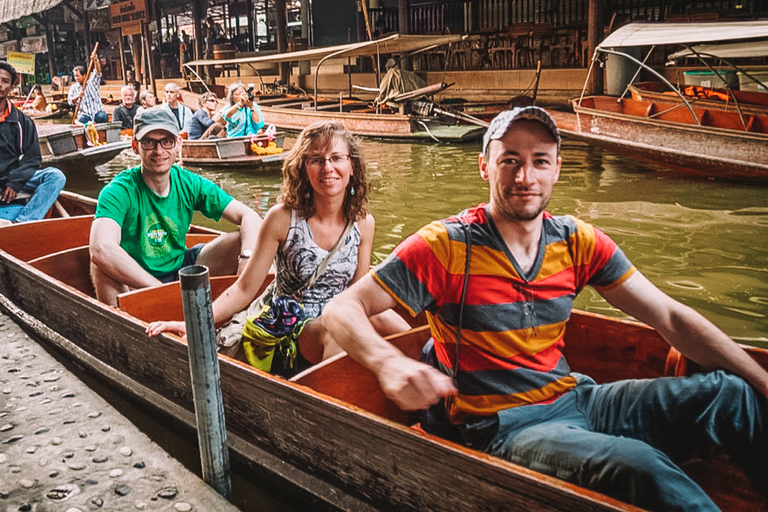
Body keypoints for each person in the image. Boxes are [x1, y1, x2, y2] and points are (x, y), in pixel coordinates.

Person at [322, 106, 768, 512]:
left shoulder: (577, 241)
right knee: (641, 466)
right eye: (510, 160)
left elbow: (669, 318)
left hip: (579, 398)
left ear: (557, 168)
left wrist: (764, 382)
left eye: (539, 160)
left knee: (733, 395)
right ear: (484, 167)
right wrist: (387, 365)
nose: (524, 177)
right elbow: (343, 307)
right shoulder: (446, 245)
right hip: (504, 427)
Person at [146, 120, 410, 373]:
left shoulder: (363, 223)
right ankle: (327, 407)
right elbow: (244, 288)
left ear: (351, 166)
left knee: (393, 323)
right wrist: (193, 325)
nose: (327, 167)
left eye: (336, 158)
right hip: (292, 324)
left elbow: (358, 292)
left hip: (341, 314)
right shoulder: (282, 218)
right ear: (304, 169)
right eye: (316, 160)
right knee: (337, 330)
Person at [89, 107, 263, 306]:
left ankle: (241, 308)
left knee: (244, 240)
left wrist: (246, 260)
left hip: (182, 270)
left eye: (167, 141)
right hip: (133, 281)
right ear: (135, 146)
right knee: (100, 265)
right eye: (149, 142)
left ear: (178, 144)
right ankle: (123, 325)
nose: (159, 151)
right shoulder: (119, 190)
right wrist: (161, 291)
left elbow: (250, 216)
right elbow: (100, 248)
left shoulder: (190, 183)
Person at [0, 62, 66, 227]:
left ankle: (23, 222)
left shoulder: (23, 121)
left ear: (11, 87)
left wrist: (15, 182)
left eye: (5, 81)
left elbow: (32, 157)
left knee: (56, 176)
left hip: (12, 175)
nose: (0, 84)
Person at [67, 50, 109, 125]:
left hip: (97, 113)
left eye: (77, 76)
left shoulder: (92, 83)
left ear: (84, 75)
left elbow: (98, 72)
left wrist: (96, 60)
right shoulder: (74, 88)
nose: (76, 78)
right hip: (85, 115)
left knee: (103, 117)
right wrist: (77, 97)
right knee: (81, 119)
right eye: (75, 76)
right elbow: (70, 101)